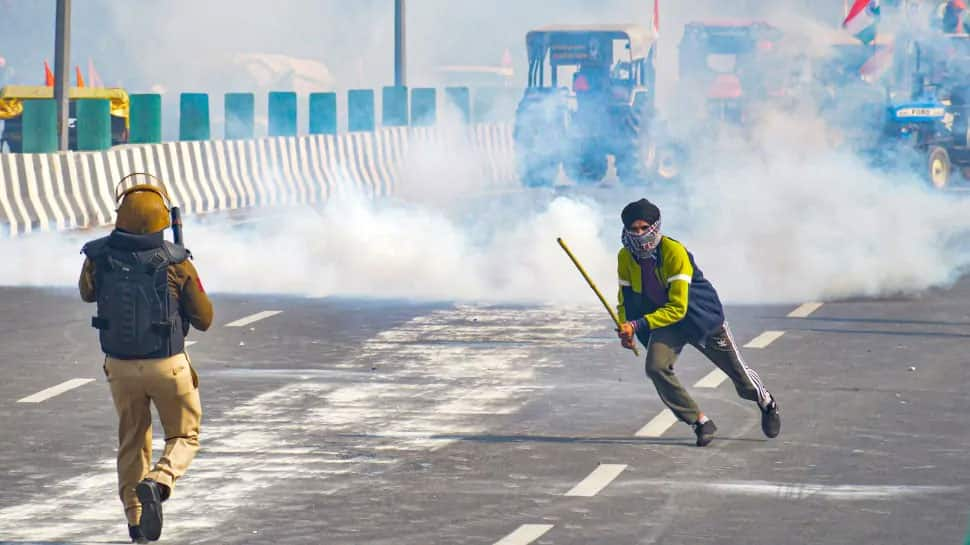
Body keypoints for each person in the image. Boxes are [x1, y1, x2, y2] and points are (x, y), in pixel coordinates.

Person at [79, 180, 213, 542]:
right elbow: (204, 318)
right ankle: (160, 481)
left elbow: (86, 293)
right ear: (161, 221)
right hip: (167, 364)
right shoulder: (176, 261)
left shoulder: (98, 254)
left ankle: (136, 524)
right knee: (184, 434)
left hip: (120, 367)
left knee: (132, 442)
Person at [615, 198, 780, 447]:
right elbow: (624, 299)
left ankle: (766, 402)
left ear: (656, 227)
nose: (638, 235)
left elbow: (679, 308)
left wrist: (637, 326)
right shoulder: (625, 257)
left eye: (643, 228)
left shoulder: (674, 252)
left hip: (700, 318)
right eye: (633, 229)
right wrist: (624, 326)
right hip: (664, 320)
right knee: (656, 367)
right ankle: (699, 421)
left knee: (741, 380)